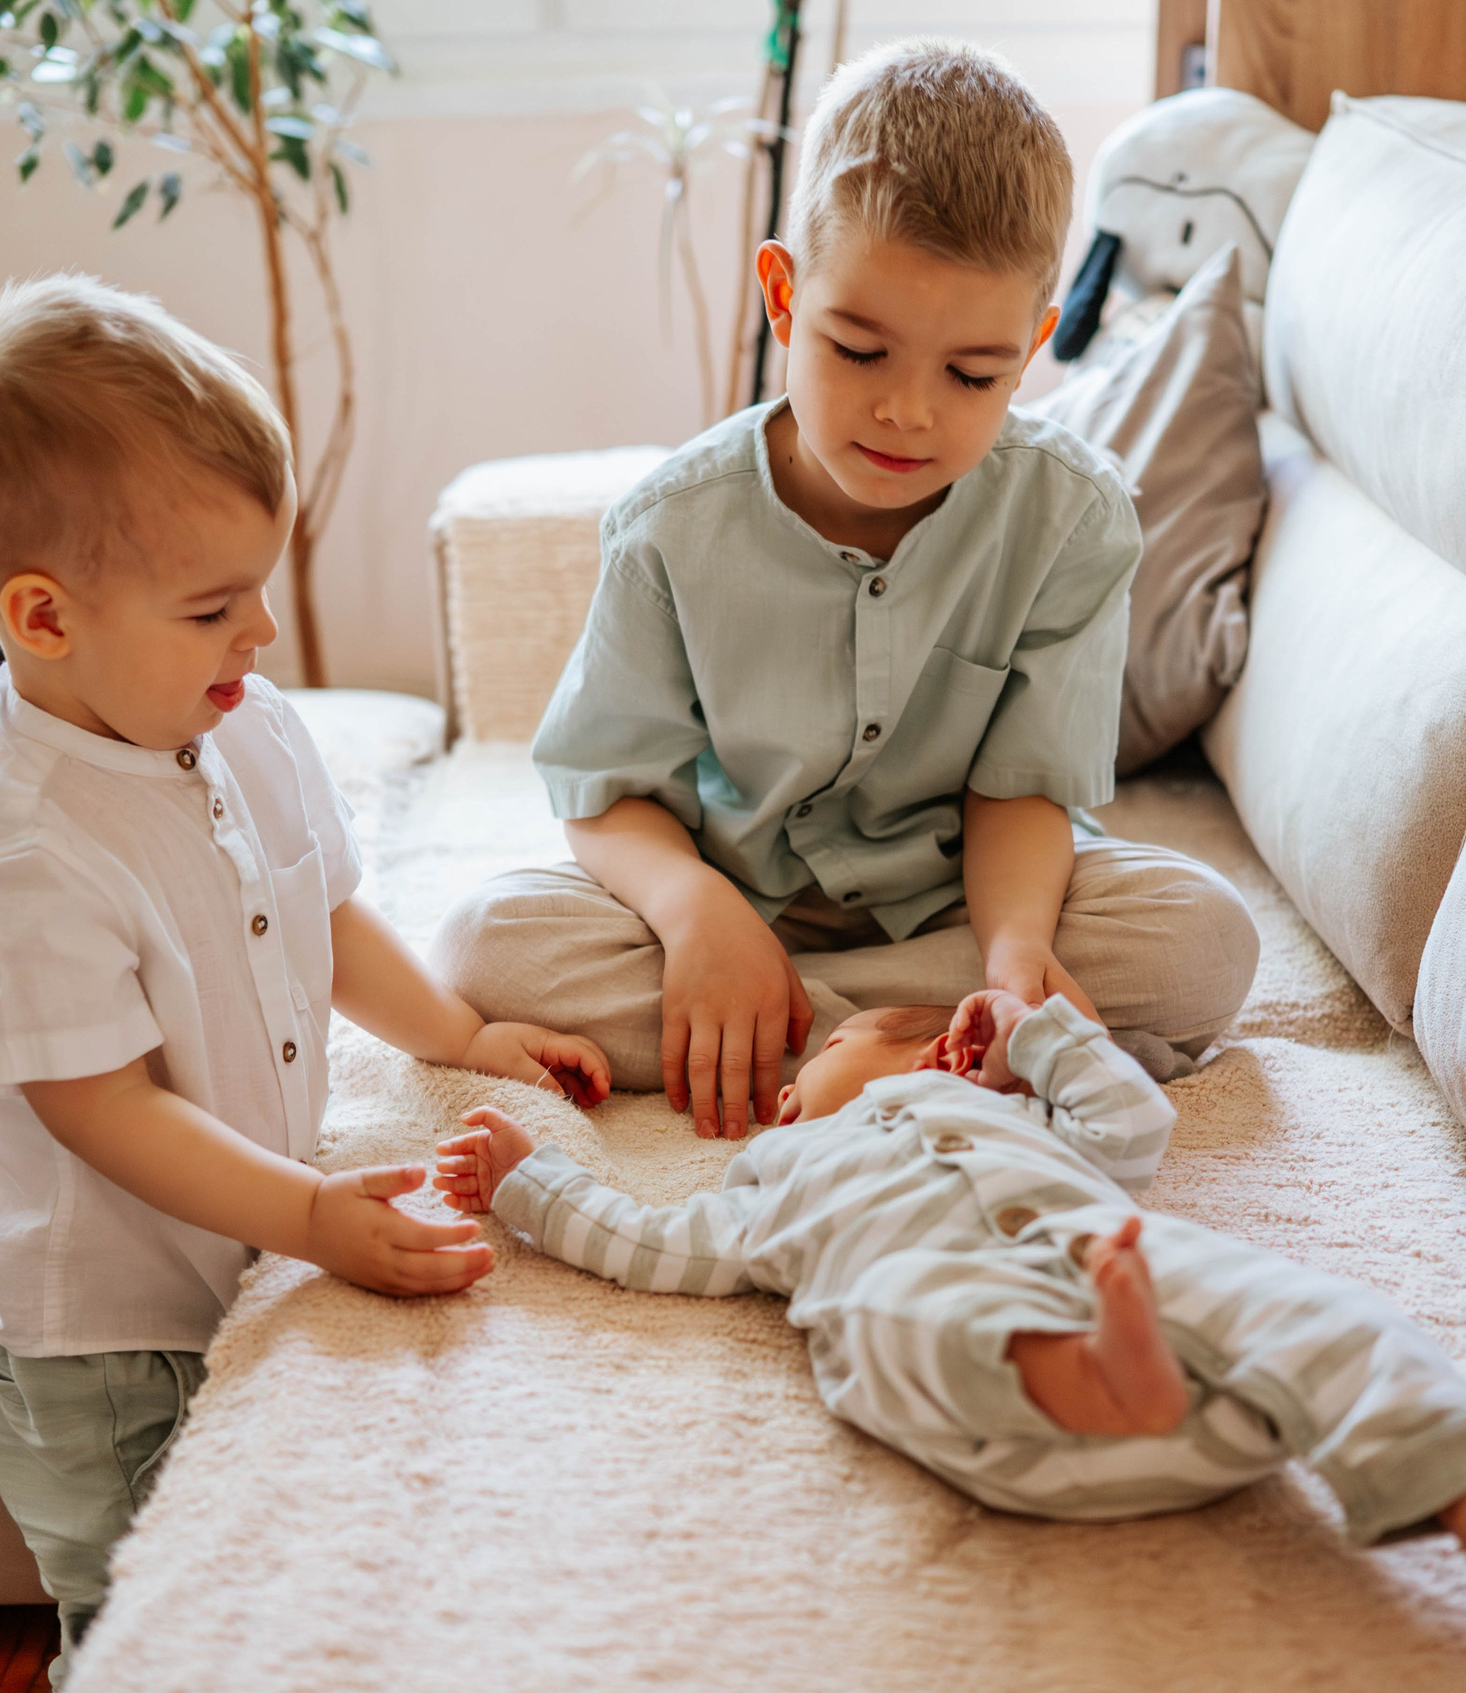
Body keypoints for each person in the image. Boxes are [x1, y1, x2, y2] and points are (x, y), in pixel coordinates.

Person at [0, 274, 608, 1686]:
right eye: (217, 604)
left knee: (277, 1593)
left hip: (221, 1263)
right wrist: (305, 1216)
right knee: (153, 1636)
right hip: (99, 1349)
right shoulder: (20, 848)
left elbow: (322, 912)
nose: (264, 634)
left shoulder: (245, 719)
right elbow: (98, 1106)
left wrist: (464, 1032)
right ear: (44, 618)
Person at [432, 39, 1260, 1140]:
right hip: (739, 891)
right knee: (485, 943)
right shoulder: (671, 526)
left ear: (1030, 352)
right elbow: (604, 787)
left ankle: (804, 1030)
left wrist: (1017, 952)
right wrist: (696, 915)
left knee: (1204, 938)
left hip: (959, 901)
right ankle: (912, 1035)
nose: (908, 412)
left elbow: (1022, 787)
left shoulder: (1075, 515)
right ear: (784, 295)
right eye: (859, 350)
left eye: (972, 375)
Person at [434, 992, 1466, 1603]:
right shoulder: (764, 1181)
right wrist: (528, 1183)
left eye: (838, 1055)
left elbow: (1133, 1117)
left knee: (1319, 1309)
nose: (795, 1089)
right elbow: (646, 1240)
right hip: (1012, 1399)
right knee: (890, 1315)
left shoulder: (1011, 1115)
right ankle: (1094, 1368)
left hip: (1148, 1308)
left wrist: (1033, 1037)